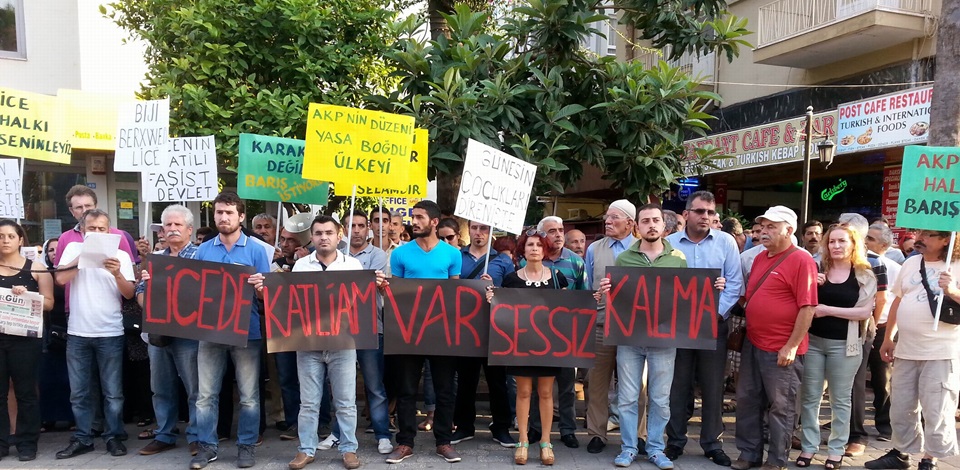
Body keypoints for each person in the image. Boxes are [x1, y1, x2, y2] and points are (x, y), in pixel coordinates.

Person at [254, 215, 384, 470]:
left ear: (339, 235)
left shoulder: (354, 267)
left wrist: (378, 288)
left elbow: (363, 305)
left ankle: (348, 449)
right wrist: (264, 292)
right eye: (318, 233)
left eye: (328, 232)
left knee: (345, 402)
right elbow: (288, 303)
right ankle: (306, 449)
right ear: (312, 237)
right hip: (309, 346)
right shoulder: (301, 267)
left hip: (343, 345)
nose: (324, 237)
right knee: (309, 402)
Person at [190, 192, 271, 470]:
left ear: (241, 216)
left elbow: (266, 297)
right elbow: (194, 289)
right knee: (205, 395)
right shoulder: (204, 250)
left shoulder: (257, 250)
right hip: (210, 330)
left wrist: (261, 288)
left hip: (246, 331)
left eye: (229, 212)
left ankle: (246, 446)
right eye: (219, 212)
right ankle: (207, 447)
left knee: (249, 395)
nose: (223, 217)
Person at [866, 231, 960, 470]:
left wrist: (953, 292)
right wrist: (888, 337)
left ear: (946, 240)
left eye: (929, 235)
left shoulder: (956, 265)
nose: (920, 238)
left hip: (941, 352)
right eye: (920, 233)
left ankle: (931, 458)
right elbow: (898, 299)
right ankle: (901, 453)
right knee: (902, 406)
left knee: (937, 410)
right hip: (907, 349)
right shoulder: (910, 262)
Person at [733, 205, 817, 470]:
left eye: (772, 227)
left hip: (781, 348)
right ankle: (749, 454)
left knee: (781, 407)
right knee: (747, 399)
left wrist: (791, 345)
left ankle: (777, 460)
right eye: (763, 226)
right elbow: (750, 296)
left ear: (788, 231)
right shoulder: (759, 258)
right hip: (754, 342)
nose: (764, 232)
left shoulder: (802, 260)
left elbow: (808, 307)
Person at [664, 191, 743, 467]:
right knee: (678, 386)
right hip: (677, 327)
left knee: (712, 387)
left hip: (713, 325)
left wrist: (716, 314)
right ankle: (675, 441)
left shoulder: (726, 242)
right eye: (700, 211)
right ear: (686, 214)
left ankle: (712, 443)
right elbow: (660, 284)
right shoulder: (668, 243)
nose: (706, 217)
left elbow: (734, 284)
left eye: (710, 212)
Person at [606, 204, 687, 469]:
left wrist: (712, 289)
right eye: (645, 221)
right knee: (628, 397)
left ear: (664, 226)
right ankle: (629, 447)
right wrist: (607, 290)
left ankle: (655, 448)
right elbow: (619, 300)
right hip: (630, 339)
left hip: (664, 341)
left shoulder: (678, 258)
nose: (651, 225)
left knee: (660, 399)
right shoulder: (624, 259)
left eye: (656, 220)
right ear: (637, 227)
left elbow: (687, 297)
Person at [383, 200, 462, 464]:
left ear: (435, 222)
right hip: (409, 332)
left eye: (419, 217)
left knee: (444, 389)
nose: (414, 221)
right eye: (413, 217)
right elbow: (398, 295)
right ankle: (405, 442)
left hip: (442, 332)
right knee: (406, 389)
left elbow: (454, 294)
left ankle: (443, 441)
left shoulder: (452, 255)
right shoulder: (400, 254)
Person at [55, 209, 136, 459]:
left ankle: (114, 436)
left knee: (112, 391)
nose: (98, 233)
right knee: (79, 392)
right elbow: (60, 279)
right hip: (78, 330)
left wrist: (117, 273)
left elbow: (129, 294)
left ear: (110, 231)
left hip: (110, 331)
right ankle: (83, 437)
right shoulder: (71, 250)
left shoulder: (121, 254)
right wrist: (82, 259)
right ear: (83, 230)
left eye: (103, 229)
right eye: (93, 228)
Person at [797, 225, 876, 470]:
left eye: (842, 241)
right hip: (813, 342)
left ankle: (836, 450)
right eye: (832, 242)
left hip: (846, 345)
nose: (836, 246)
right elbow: (801, 302)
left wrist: (827, 310)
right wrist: (813, 287)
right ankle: (809, 446)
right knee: (809, 397)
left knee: (840, 399)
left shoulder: (864, 274)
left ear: (853, 244)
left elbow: (864, 312)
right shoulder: (817, 269)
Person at [485, 228, 567, 466]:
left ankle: (545, 441)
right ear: (523, 250)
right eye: (530, 245)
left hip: (548, 346)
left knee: (545, 393)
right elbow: (505, 313)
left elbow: (565, 311)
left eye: (539, 245)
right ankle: (522, 440)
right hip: (520, 345)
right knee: (522, 392)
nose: (534, 249)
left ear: (545, 250)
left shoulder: (556, 278)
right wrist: (493, 300)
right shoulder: (512, 279)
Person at [134, 205, 202, 457]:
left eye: (178, 225)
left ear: (189, 229)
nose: (172, 229)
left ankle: (197, 436)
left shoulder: (201, 256)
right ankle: (165, 434)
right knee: (160, 386)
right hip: (159, 333)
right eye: (168, 226)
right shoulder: (155, 260)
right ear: (162, 230)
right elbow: (140, 294)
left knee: (194, 388)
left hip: (190, 333)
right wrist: (149, 299)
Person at [331, 211, 392, 455]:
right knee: (339, 386)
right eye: (351, 226)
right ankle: (337, 433)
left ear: (368, 228)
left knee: (374, 385)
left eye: (360, 225)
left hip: (370, 327)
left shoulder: (378, 256)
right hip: (339, 330)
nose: (356, 230)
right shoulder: (336, 256)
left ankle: (383, 434)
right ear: (344, 229)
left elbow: (370, 291)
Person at [452, 220, 515, 448]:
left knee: (497, 381)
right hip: (466, 328)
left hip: (495, 329)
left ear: (491, 232)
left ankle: (501, 427)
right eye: (475, 228)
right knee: (466, 380)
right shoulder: (457, 257)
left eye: (484, 228)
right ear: (468, 229)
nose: (479, 233)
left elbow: (513, 294)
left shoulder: (503, 261)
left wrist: (497, 291)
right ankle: (464, 426)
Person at [584, 200, 637, 454]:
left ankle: (639, 435)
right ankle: (596, 433)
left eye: (614, 217)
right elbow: (588, 283)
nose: (608, 221)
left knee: (636, 385)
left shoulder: (643, 248)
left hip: (634, 329)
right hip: (601, 324)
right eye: (606, 216)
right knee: (597, 383)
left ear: (630, 222)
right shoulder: (594, 249)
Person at [0, 220, 54, 462]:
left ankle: (27, 442)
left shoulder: (36, 267)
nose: (5, 240)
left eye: (11, 236)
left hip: (24, 339)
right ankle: (2, 443)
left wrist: (29, 296)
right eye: (1, 236)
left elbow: (50, 302)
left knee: (25, 392)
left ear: (20, 240)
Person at [533, 215, 587, 449]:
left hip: (566, 334)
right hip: (535, 333)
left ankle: (567, 430)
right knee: (537, 384)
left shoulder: (576, 262)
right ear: (541, 235)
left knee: (566, 385)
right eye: (552, 230)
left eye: (561, 230)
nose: (558, 234)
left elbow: (585, 297)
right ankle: (535, 429)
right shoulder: (531, 260)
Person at [863, 223, 901, 442]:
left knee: (881, 379)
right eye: (865, 237)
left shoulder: (895, 268)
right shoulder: (855, 264)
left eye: (871, 239)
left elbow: (895, 300)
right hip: (857, 326)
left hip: (882, 329)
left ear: (885, 245)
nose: (865, 242)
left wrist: (884, 330)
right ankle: (852, 422)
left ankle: (885, 426)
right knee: (853, 380)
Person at [38, 238, 73, 432]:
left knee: (68, 378)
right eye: (50, 250)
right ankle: (48, 417)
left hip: (71, 329)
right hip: (49, 331)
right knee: (48, 377)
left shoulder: (71, 273)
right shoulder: (42, 274)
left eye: (58, 249)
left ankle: (69, 417)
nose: (54, 253)